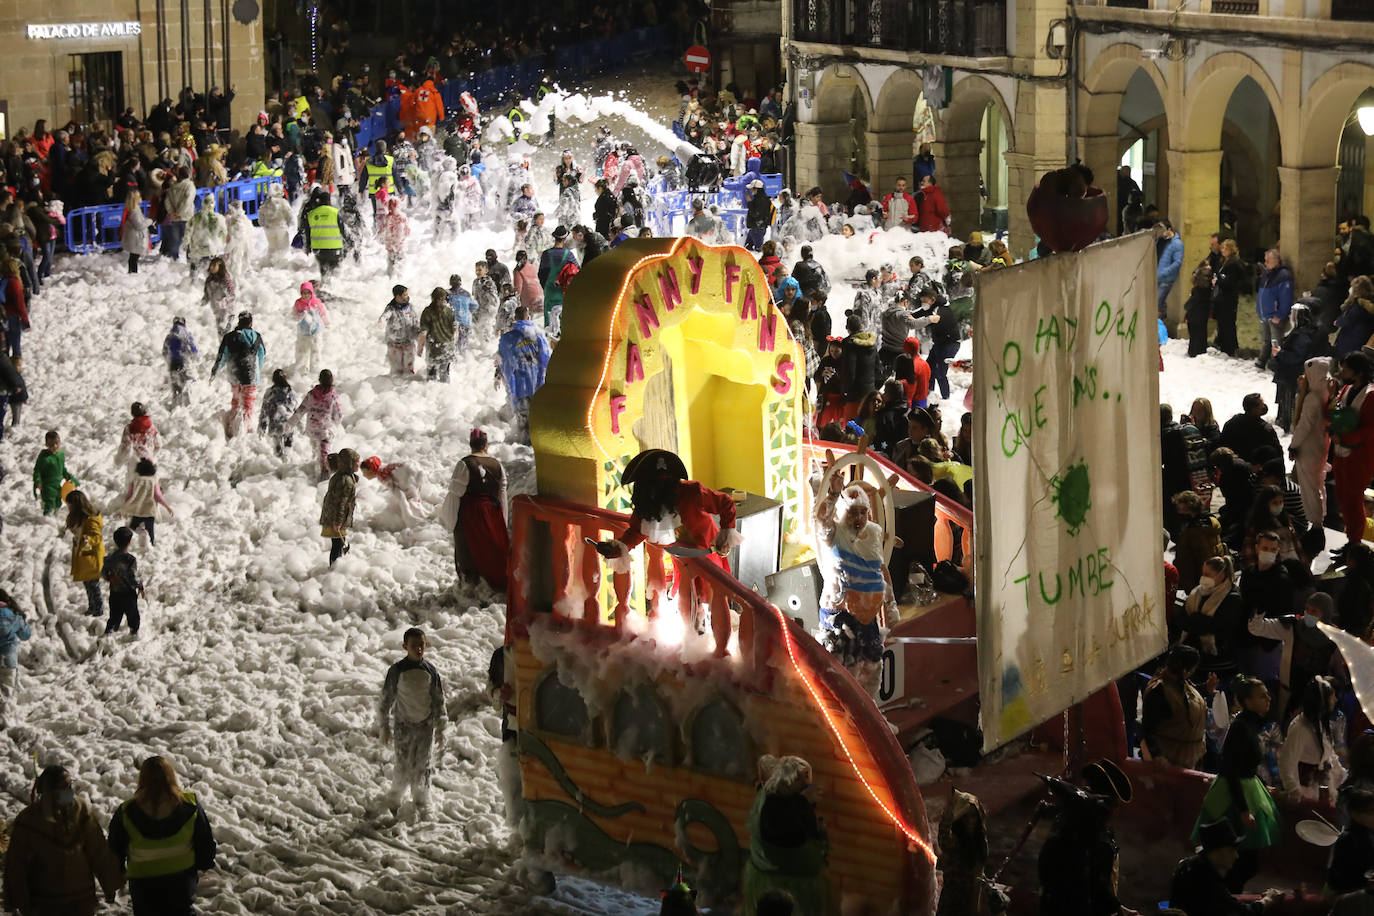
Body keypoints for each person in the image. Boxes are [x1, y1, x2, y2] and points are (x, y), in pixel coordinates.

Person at [1191, 676, 1280, 892]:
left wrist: (1260, 783)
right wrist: (1242, 810)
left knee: (1244, 863)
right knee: (1239, 862)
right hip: (1233, 797)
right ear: (1247, 701)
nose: (1268, 699)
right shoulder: (1240, 727)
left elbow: (1245, 765)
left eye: (1267, 694)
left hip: (1247, 789)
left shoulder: (1250, 724)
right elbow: (1231, 769)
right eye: (1262, 695)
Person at [813, 475, 896, 697]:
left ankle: (870, 713)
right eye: (853, 512)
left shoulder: (875, 532)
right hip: (838, 613)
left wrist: (891, 605)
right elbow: (820, 521)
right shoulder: (834, 532)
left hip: (867, 615)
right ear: (843, 512)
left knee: (873, 664)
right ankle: (842, 718)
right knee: (841, 671)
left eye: (863, 512)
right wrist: (832, 495)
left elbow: (881, 570)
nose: (859, 517)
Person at [4, 764, 123, 915]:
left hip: (79, 899)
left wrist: (109, 884)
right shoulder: (29, 819)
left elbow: (98, 849)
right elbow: (17, 863)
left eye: (69, 786)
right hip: (47, 902)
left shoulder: (80, 810)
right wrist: (19, 900)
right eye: (63, 787)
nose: (69, 792)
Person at [107, 756, 217, 915]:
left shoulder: (127, 811)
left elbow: (114, 850)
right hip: (181, 881)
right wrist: (204, 863)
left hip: (143, 885)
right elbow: (205, 841)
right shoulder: (190, 805)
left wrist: (116, 876)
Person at [742, 756, 829, 916]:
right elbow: (790, 837)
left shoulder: (778, 797)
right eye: (801, 779)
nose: (806, 784)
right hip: (781, 884)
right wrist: (804, 802)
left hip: (786, 882)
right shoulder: (774, 805)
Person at [378, 627, 447, 817]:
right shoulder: (397, 671)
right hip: (403, 725)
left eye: (421, 645)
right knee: (402, 762)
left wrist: (441, 727)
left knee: (423, 764)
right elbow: (386, 699)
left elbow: (438, 699)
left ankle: (421, 801)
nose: (418, 649)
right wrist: (384, 726)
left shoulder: (431, 671)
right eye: (414, 646)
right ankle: (395, 796)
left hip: (425, 726)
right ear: (404, 646)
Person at [1170, 819, 1275, 916]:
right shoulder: (1207, 880)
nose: (1236, 856)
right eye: (1231, 850)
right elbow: (1245, 912)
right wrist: (1268, 899)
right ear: (1215, 853)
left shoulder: (1187, 866)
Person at [1141, 644, 1212, 769]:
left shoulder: (1183, 684)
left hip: (1191, 759)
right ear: (1185, 670)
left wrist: (1206, 688)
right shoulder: (1158, 691)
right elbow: (1148, 728)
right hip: (1169, 761)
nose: (1193, 672)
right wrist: (1157, 755)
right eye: (1192, 669)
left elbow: (1189, 700)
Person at [1277, 675, 1345, 803]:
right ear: (1322, 700)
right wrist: (1295, 790)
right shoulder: (1300, 728)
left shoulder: (1318, 723)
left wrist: (1340, 772)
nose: (1335, 699)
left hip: (1319, 787)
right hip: (1306, 791)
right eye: (1332, 696)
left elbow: (1328, 753)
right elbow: (1286, 761)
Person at [1332, 351, 1374, 557]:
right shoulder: (1346, 389)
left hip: (1360, 457)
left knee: (1353, 499)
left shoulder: (1371, 395)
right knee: (1342, 497)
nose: (1342, 372)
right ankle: (1350, 539)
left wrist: (1347, 439)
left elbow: (1370, 430)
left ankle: (1355, 543)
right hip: (1341, 455)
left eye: (1346, 368)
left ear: (1358, 372)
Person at [1177, 555, 1243, 680]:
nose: (1204, 578)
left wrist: (1195, 619)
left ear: (1221, 575)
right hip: (1195, 656)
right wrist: (1199, 621)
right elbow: (1182, 619)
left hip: (1218, 659)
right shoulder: (1197, 593)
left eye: (1208, 574)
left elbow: (1218, 626)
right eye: (1203, 573)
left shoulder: (1232, 597)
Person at [496, 306, 552, 442]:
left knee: (524, 423)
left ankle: (524, 447)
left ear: (515, 318)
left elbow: (503, 362)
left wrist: (499, 377)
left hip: (520, 386)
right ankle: (534, 453)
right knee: (539, 421)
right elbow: (546, 360)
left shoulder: (508, 338)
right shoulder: (538, 335)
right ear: (528, 317)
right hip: (538, 385)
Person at [210, 311, 267, 438]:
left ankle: (231, 428)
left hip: (234, 376)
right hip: (251, 376)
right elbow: (262, 355)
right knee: (248, 404)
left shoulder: (230, 336)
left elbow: (222, 356)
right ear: (251, 322)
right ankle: (244, 430)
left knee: (236, 401)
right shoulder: (256, 336)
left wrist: (214, 372)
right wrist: (258, 371)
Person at [289, 369, 343, 482]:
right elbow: (339, 415)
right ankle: (323, 479)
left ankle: (314, 471)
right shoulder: (333, 397)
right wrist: (334, 426)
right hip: (325, 432)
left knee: (315, 451)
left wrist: (290, 423)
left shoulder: (312, 394)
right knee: (324, 455)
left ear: (319, 379)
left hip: (313, 429)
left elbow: (301, 409)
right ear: (331, 380)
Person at [65, 489, 104, 618]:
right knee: (88, 584)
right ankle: (92, 607)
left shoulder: (91, 520)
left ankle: (98, 609)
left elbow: (96, 538)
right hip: (84, 557)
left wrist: (85, 541)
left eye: (69, 504)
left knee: (93, 585)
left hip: (91, 557)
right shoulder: (80, 518)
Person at [118, 458, 174, 548]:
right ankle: (151, 544)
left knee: (132, 527)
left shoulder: (135, 481)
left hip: (137, 510)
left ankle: (129, 543)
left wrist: (124, 507)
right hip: (149, 510)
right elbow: (158, 496)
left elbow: (130, 495)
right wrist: (167, 507)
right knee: (150, 530)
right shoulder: (153, 481)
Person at [1329, 787, 1374, 896]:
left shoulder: (1369, 833)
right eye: (1371, 812)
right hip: (1354, 895)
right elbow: (1341, 880)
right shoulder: (1348, 839)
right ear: (1355, 814)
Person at [101, 525, 144, 637]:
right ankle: (134, 632)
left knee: (114, 615)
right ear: (129, 542)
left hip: (115, 592)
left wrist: (110, 578)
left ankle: (108, 633)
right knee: (133, 614)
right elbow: (132, 577)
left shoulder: (109, 558)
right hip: (128, 594)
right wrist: (140, 584)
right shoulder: (130, 560)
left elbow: (104, 573)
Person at [1254, 249, 1294, 371]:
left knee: (1275, 341)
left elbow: (1286, 297)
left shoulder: (1284, 276)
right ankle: (1263, 360)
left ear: (1276, 261)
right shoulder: (1267, 274)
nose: (1265, 263)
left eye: (1267, 261)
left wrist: (1281, 314)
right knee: (1266, 339)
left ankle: (1275, 364)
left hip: (1275, 315)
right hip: (1265, 314)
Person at [320, 447, 359, 565]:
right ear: (349, 464)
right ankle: (335, 567)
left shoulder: (342, 476)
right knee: (337, 545)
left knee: (338, 544)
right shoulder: (345, 481)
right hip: (336, 517)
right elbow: (341, 502)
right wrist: (338, 521)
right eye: (356, 462)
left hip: (333, 515)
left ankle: (337, 565)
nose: (359, 465)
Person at [1219, 393, 1281, 466]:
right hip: (1258, 470)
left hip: (1235, 467)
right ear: (1254, 409)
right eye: (1262, 404)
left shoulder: (1231, 423)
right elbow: (1277, 453)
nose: (1264, 406)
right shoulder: (1265, 429)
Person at [536, 226, 577, 335]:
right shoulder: (568, 255)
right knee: (563, 319)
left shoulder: (546, 254)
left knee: (549, 321)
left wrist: (545, 286)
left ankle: (550, 343)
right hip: (563, 292)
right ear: (564, 239)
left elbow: (541, 274)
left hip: (549, 290)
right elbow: (577, 272)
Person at [1211, 239, 1246, 356]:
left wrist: (1219, 280)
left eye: (1226, 248)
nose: (1223, 250)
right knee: (1222, 322)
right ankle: (1223, 343)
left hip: (1228, 297)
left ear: (1232, 250)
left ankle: (1229, 347)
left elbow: (1230, 281)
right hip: (1223, 297)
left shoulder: (1234, 263)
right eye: (1223, 248)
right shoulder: (1225, 261)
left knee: (1228, 322)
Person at [378, 285, 421, 377]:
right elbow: (385, 316)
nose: (407, 297)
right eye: (405, 295)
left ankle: (407, 386)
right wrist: (381, 321)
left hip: (409, 342)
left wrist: (419, 335)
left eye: (407, 294)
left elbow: (416, 321)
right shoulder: (391, 308)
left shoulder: (410, 307)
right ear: (398, 297)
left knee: (409, 369)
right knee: (396, 371)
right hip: (395, 343)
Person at [33, 429, 77, 515]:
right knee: (49, 502)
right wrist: (37, 481)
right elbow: (37, 470)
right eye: (51, 444)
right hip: (47, 485)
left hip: (57, 484)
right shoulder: (44, 458)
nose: (55, 446)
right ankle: (47, 519)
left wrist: (67, 476)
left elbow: (62, 468)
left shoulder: (60, 455)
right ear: (46, 444)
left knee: (58, 502)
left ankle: (55, 517)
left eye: (57, 443)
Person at [292, 281, 329, 377]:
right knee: (302, 351)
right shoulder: (298, 303)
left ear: (312, 292)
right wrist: (301, 315)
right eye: (303, 293)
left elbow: (323, 313)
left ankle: (315, 371)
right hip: (303, 332)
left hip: (316, 331)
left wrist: (326, 322)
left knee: (316, 350)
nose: (306, 295)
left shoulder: (316, 302)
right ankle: (301, 371)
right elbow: (294, 316)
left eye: (308, 293)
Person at [419, 287, 457, 383]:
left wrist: (420, 348)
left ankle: (431, 395)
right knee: (445, 374)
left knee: (432, 376)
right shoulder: (449, 311)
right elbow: (455, 330)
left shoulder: (427, 311)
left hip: (434, 348)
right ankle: (445, 394)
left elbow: (423, 332)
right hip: (448, 347)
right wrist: (453, 344)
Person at [258, 369, 297, 459]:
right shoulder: (291, 392)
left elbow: (265, 410)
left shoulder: (270, 392)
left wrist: (262, 426)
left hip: (275, 423)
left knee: (277, 443)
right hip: (288, 422)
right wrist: (299, 424)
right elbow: (296, 409)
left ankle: (279, 459)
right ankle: (286, 457)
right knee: (288, 441)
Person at [161, 316, 198, 409]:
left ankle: (176, 406)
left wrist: (169, 361)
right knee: (186, 384)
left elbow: (164, 352)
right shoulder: (186, 334)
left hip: (173, 364)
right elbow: (194, 350)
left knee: (176, 387)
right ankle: (187, 407)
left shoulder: (169, 336)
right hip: (184, 362)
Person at [1335, 275, 1374, 359]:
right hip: (1363, 339)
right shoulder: (1370, 302)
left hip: (1351, 341)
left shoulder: (1357, 306)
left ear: (1356, 290)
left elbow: (1349, 319)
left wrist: (1338, 321)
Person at [201, 256, 236, 336]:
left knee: (227, 336)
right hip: (217, 313)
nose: (211, 267)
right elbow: (207, 294)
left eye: (214, 265)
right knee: (220, 336)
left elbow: (232, 295)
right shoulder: (209, 280)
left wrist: (223, 302)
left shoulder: (225, 279)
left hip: (227, 313)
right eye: (211, 265)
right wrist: (204, 300)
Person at [1184, 265, 1213, 357]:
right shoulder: (1209, 290)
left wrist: (1186, 307)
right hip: (1202, 315)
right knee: (1201, 333)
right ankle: (1200, 350)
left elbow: (1191, 303)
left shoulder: (1197, 290)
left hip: (1194, 315)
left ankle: (1194, 351)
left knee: (1195, 334)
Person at [120, 190, 150, 273]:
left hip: (135, 238)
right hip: (136, 239)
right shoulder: (134, 212)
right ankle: (133, 273)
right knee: (134, 258)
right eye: (139, 196)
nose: (141, 198)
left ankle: (132, 272)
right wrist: (149, 221)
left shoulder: (133, 211)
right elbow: (139, 225)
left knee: (133, 257)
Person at [745, 179, 774, 251]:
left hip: (757, 228)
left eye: (752, 189)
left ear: (756, 189)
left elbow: (755, 214)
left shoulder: (761, 200)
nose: (751, 191)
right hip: (755, 228)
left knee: (758, 250)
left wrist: (749, 202)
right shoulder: (761, 199)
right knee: (747, 247)